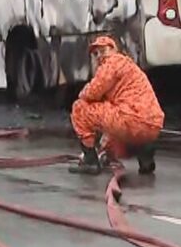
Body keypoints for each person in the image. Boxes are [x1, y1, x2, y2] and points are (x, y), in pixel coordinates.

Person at [69, 35, 164, 176]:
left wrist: (82, 94)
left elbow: (92, 92)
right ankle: (145, 151)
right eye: (96, 53)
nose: (99, 56)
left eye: (103, 50)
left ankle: (90, 162)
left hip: (129, 120)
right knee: (116, 131)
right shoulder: (130, 66)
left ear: (113, 50)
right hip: (153, 124)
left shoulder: (112, 63)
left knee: (79, 108)